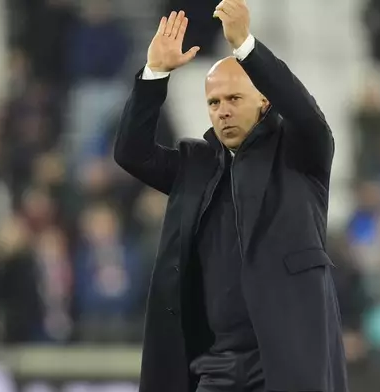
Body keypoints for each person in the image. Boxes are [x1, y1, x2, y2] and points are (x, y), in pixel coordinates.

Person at [114, 1, 348, 391]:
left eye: (234, 99)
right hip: (215, 365)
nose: (222, 111)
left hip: (284, 364)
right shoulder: (196, 166)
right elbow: (130, 153)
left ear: (265, 101)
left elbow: (306, 115)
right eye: (214, 102)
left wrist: (245, 47)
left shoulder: (300, 155)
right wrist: (154, 74)